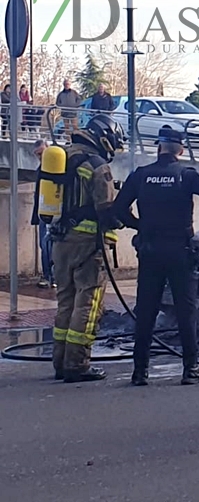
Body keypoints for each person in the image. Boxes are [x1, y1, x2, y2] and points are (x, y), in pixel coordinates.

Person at [113, 128, 199, 386]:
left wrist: (141, 226)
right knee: (186, 310)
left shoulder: (141, 175)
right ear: (181, 150)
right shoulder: (186, 176)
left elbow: (118, 208)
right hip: (180, 251)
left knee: (147, 310)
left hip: (150, 250)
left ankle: (139, 372)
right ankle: (190, 368)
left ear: (159, 148)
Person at [51, 113, 124, 383]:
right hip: (88, 245)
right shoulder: (98, 166)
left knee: (66, 301)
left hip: (60, 241)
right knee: (89, 303)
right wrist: (122, 218)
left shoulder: (63, 157)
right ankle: (77, 364)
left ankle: (60, 362)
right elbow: (105, 210)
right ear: (104, 137)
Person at [30, 140, 55, 288]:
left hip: (50, 211)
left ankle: (50, 276)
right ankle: (49, 275)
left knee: (48, 244)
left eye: (42, 153)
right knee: (44, 244)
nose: (40, 156)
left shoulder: (54, 166)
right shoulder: (42, 168)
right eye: (37, 154)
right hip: (42, 211)